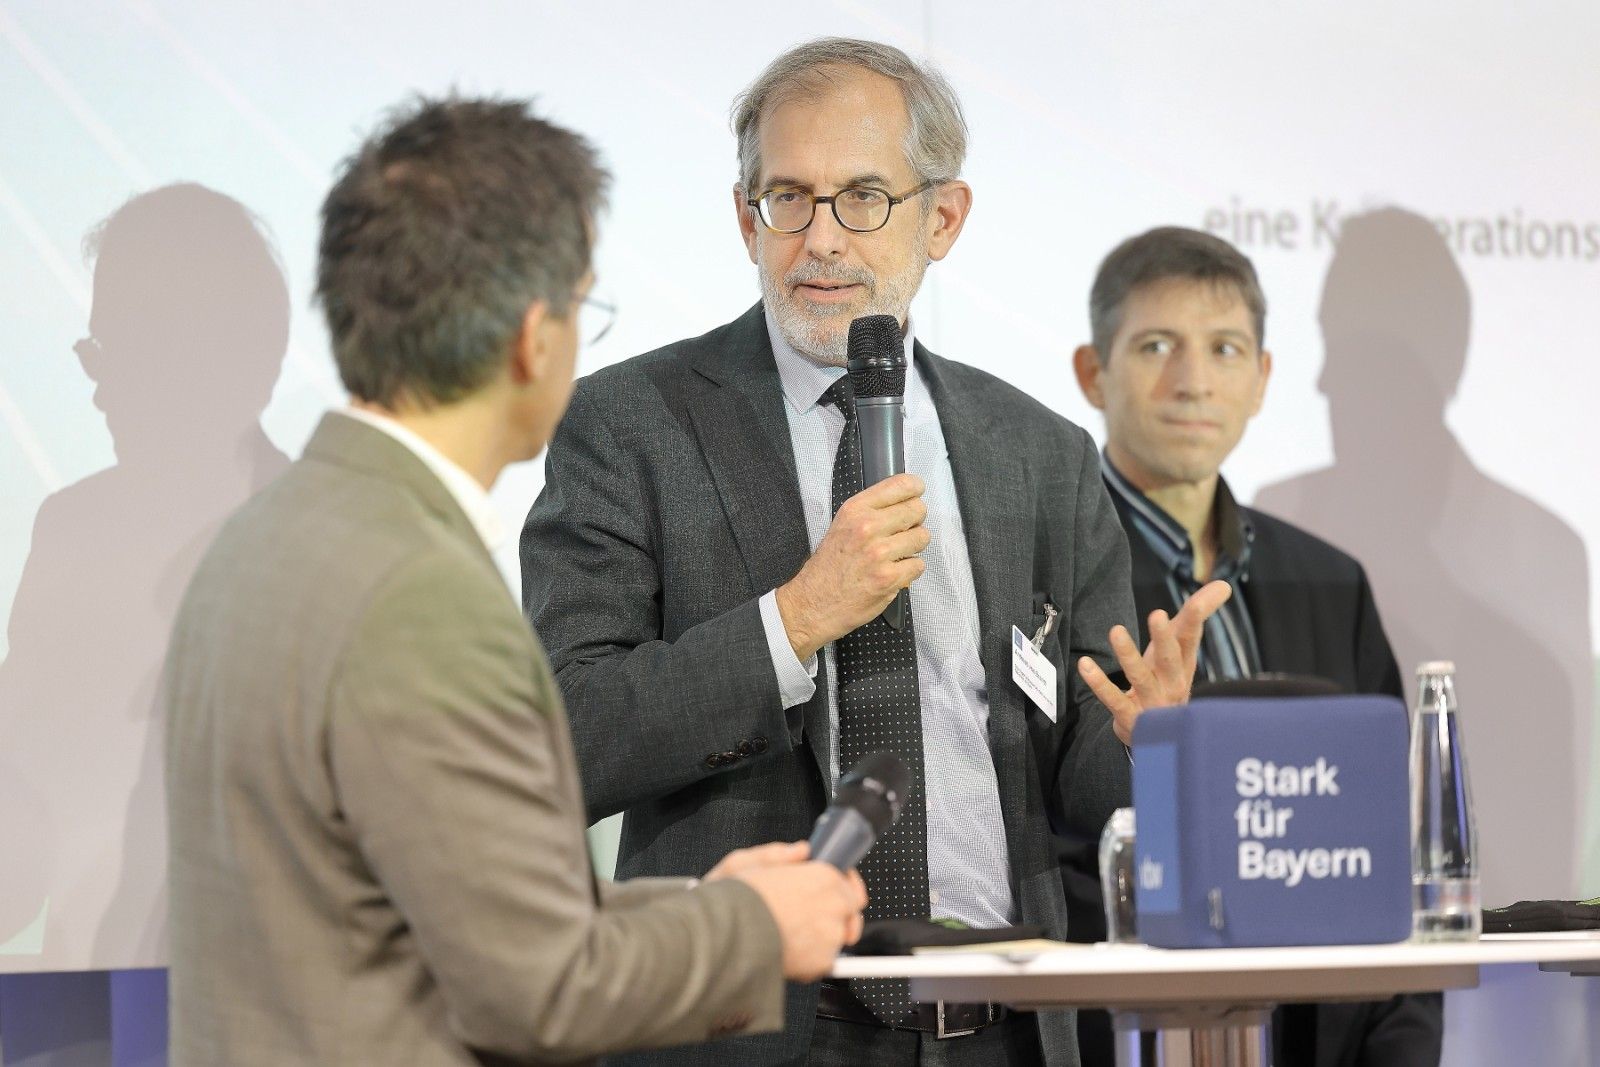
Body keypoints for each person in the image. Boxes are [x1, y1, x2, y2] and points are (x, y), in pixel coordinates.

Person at [522, 40, 1225, 1067]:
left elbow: (1082, 782)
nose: (820, 239)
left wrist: (1152, 749)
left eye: (861, 198)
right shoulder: (631, 423)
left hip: (1002, 1024)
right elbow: (562, 738)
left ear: (942, 218)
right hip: (754, 1028)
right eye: (787, 200)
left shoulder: (1039, 453)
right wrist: (794, 619)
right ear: (744, 219)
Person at [163, 96, 866, 1067]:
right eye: (583, 306)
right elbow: (541, 987)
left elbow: (442, 911)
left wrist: (706, 907)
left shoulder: (262, 535)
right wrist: (752, 928)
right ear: (536, 338)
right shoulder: (420, 590)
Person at [1068, 226, 1443, 1066]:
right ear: (1093, 372)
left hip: (1329, 1035)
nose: (1194, 380)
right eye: (1156, 346)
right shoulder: (1047, 571)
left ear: (1263, 378)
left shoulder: (1331, 578)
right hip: (1124, 1028)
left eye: (1225, 349)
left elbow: (1397, 836)